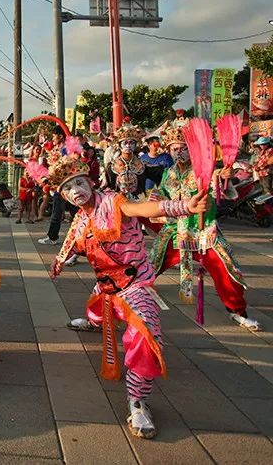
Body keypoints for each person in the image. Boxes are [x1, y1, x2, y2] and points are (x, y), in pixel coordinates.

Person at [49, 154, 208, 439]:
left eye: (78, 182)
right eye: (67, 188)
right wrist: (60, 260)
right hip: (105, 287)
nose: (75, 191)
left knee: (146, 338)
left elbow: (144, 208)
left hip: (134, 285)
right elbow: (73, 239)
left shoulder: (115, 202)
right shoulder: (79, 218)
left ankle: (137, 402)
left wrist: (185, 206)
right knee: (96, 311)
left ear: (90, 180)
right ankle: (94, 322)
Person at [149, 122, 260, 331]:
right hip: (175, 230)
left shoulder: (204, 169)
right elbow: (164, 195)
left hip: (204, 231)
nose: (179, 152)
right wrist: (157, 197)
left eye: (183, 148)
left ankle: (237, 311)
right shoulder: (168, 173)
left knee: (227, 269)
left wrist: (223, 177)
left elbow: (217, 180)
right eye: (174, 148)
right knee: (149, 265)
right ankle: (131, 297)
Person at [38, 126, 75, 244]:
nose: (53, 139)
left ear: (60, 136)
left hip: (66, 184)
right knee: (68, 210)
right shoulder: (56, 149)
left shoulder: (66, 149)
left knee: (60, 211)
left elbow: (67, 164)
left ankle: (53, 237)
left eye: (54, 136)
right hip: (59, 184)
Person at [105, 124, 156, 200]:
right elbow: (108, 188)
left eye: (131, 143)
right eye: (125, 143)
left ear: (135, 145)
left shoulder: (143, 165)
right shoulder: (112, 167)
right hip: (119, 203)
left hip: (139, 202)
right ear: (119, 145)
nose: (128, 146)